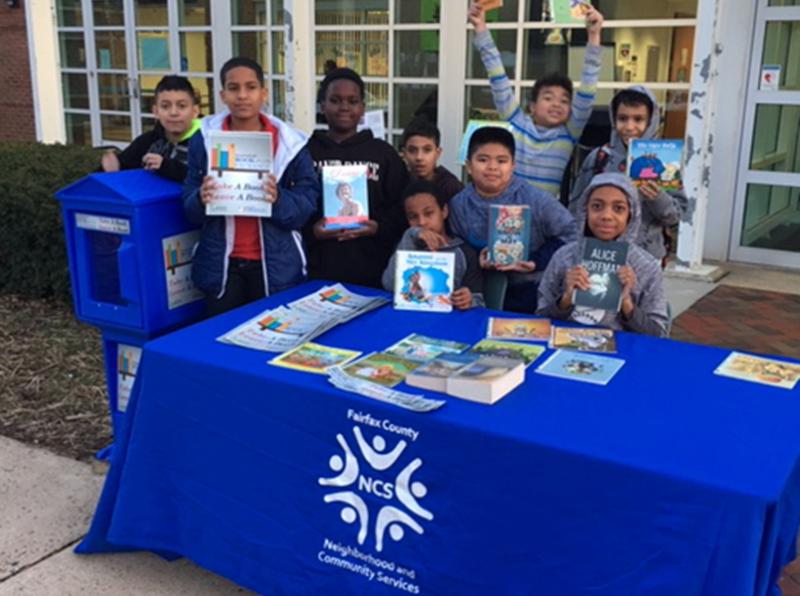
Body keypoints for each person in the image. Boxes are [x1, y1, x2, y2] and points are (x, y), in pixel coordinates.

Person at [182, 57, 319, 316]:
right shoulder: (205, 139)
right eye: (234, 88)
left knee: (270, 341)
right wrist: (200, 198)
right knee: (222, 341)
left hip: (276, 267)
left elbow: (307, 202)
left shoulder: (291, 143)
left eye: (251, 87)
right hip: (221, 265)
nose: (242, 96)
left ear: (263, 93)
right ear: (222, 94)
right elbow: (188, 199)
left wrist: (279, 199)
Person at [467, 1, 604, 196]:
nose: (557, 104)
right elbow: (498, 78)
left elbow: (588, 90)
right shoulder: (517, 123)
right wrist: (480, 27)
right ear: (532, 106)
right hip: (508, 212)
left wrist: (594, 35)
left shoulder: (568, 133)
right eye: (548, 98)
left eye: (564, 100)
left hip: (545, 216)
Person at [448, 127, 576, 313]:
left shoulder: (537, 200)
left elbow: (571, 235)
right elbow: (456, 244)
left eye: (502, 161)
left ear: (513, 165)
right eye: (483, 160)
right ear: (468, 165)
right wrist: (476, 259)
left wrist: (535, 262)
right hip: (477, 293)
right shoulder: (459, 205)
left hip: (532, 290)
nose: (492, 167)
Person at [305, 67, 409, 288]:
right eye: (335, 100)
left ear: (362, 108)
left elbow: (402, 208)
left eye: (352, 101)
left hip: (373, 271)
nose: (344, 107)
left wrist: (378, 227)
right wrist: (312, 231)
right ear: (322, 106)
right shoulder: (306, 153)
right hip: (316, 270)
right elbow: (294, 206)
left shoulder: (383, 154)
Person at [537, 172, 670, 336]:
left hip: (622, 354)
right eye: (597, 206)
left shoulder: (646, 267)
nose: (606, 216)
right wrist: (565, 299)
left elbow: (658, 333)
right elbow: (540, 319)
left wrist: (627, 303)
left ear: (631, 215)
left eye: (618, 208)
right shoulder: (564, 257)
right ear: (585, 211)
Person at [569, 86, 689, 263]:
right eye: (623, 119)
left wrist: (657, 197)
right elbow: (576, 208)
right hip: (601, 253)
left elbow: (675, 216)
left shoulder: (664, 163)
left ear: (651, 121)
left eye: (638, 119)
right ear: (613, 119)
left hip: (646, 255)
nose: (630, 127)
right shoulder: (599, 158)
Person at [382, 181, 484, 310]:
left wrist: (469, 300)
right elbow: (389, 285)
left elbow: (479, 301)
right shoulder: (406, 245)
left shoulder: (464, 253)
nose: (422, 222)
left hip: (447, 322)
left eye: (429, 213)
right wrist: (411, 234)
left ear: (444, 211)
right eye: (413, 217)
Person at [101, 75, 201, 182]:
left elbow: (206, 178)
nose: (173, 113)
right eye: (165, 106)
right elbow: (119, 169)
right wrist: (111, 167)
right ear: (156, 112)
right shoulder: (147, 142)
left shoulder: (208, 142)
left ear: (195, 111)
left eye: (181, 106)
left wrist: (165, 166)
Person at [401, 118, 464, 202]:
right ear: (404, 153)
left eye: (427, 150)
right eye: (412, 150)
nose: (419, 157)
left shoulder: (451, 188)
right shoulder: (398, 184)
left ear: (437, 153)